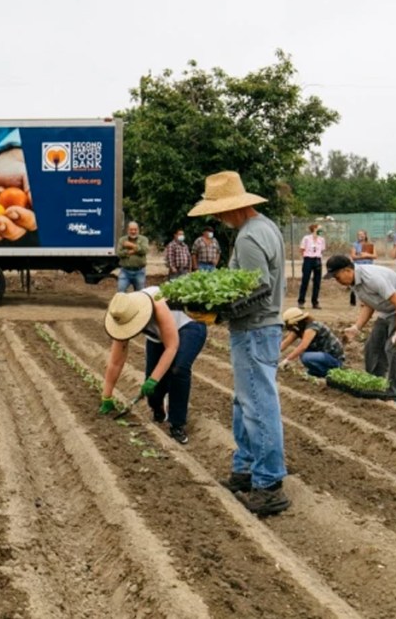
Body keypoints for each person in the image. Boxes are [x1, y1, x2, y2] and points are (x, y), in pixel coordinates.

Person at [188, 171, 289, 516]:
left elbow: (258, 291)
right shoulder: (266, 227)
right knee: (245, 402)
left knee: (259, 404)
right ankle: (245, 469)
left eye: (217, 211)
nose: (215, 218)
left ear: (234, 207)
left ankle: (269, 484)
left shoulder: (248, 238)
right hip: (262, 330)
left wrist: (217, 312)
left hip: (254, 329)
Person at [99, 288, 207, 444]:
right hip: (158, 335)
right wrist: (106, 396)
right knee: (154, 391)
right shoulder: (122, 313)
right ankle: (158, 408)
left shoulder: (156, 302)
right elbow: (116, 362)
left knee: (178, 369)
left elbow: (172, 346)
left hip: (189, 325)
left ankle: (177, 423)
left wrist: (153, 379)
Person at [325, 254, 396, 406]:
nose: (337, 281)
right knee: (372, 346)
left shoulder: (372, 278)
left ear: (347, 270)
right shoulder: (354, 283)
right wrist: (356, 327)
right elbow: (369, 304)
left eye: (337, 277)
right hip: (387, 310)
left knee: (394, 348)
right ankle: (376, 385)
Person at [279, 307, 345, 378]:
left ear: (296, 322)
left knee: (305, 357)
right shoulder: (299, 328)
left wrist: (287, 360)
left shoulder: (312, 327)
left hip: (334, 358)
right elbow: (285, 343)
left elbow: (303, 346)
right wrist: (272, 355)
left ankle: (327, 373)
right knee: (304, 355)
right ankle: (316, 372)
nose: (290, 328)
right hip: (323, 356)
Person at [297, 223, 326, 309]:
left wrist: (317, 256)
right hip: (308, 259)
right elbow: (302, 249)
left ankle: (315, 302)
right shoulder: (306, 238)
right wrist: (306, 257)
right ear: (314, 229)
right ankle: (301, 301)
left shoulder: (322, 239)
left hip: (317, 259)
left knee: (317, 281)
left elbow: (322, 250)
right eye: (319, 229)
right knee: (305, 280)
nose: (321, 230)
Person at [116, 221, 148, 292]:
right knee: (120, 292)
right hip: (125, 272)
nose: (133, 231)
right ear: (128, 230)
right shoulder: (122, 240)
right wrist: (129, 252)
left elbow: (145, 251)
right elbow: (119, 253)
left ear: (138, 230)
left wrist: (131, 245)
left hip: (139, 272)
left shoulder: (144, 239)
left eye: (135, 229)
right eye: (131, 229)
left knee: (140, 295)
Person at [349, 230, 376, 306]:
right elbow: (353, 256)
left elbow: (375, 256)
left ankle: (365, 301)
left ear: (365, 235)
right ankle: (354, 298)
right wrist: (361, 256)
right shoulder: (355, 245)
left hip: (369, 266)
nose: (361, 236)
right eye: (359, 234)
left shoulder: (370, 245)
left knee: (367, 284)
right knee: (357, 283)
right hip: (358, 266)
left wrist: (366, 255)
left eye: (362, 234)